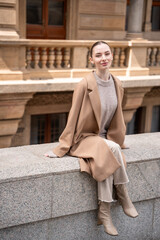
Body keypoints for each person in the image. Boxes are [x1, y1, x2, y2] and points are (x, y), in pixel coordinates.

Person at [45, 41, 138, 236]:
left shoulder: (117, 84)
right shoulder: (85, 84)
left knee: (109, 152)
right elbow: (73, 116)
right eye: (98, 55)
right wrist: (61, 148)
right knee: (111, 150)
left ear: (112, 56)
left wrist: (119, 141)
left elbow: (117, 116)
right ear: (91, 59)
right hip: (84, 138)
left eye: (106, 54)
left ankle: (104, 213)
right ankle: (123, 196)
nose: (103, 58)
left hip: (105, 140)